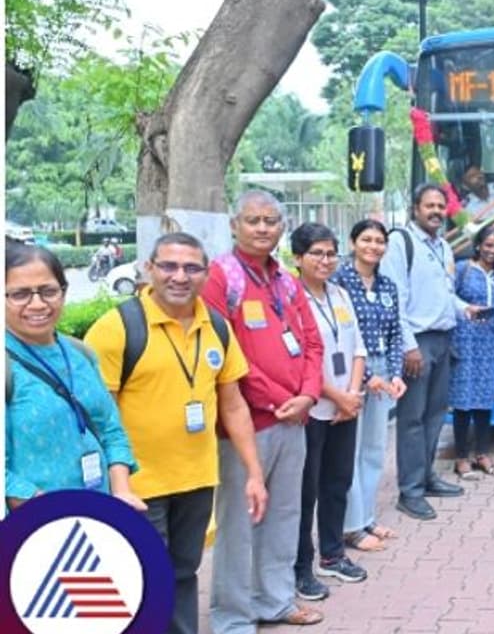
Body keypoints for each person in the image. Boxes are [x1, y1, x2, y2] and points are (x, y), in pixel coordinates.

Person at [84, 232, 266, 634]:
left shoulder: (215, 325)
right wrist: (117, 482)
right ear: (149, 269)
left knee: (184, 573)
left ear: (206, 273)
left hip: (196, 478)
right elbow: (99, 415)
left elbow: (233, 403)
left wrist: (254, 473)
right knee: (144, 577)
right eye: (168, 265)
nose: (179, 276)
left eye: (191, 267)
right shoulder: (117, 328)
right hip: (138, 485)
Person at [203, 190, 326, 630]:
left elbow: (313, 342)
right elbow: (223, 352)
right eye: (252, 220)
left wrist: (309, 395)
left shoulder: (286, 280)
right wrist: (278, 400)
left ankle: (273, 601)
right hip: (246, 426)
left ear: (282, 227)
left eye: (270, 221)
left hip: (295, 420)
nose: (261, 228)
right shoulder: (220, 276)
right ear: (235, 224)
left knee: (284, 517)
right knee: (239, 524)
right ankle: (233, 617)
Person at [4, 242, 142, 512]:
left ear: (63, 293)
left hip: (97, 517)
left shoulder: (81, 355)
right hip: (31, 529)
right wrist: (51, 509)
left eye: (48, 291)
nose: (37, 304)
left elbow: (111, 430)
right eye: (20, 294)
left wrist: (122, 491)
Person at [383, 183, 473, 521]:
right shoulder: (400, 243)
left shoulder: (443, 248)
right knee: (412, 420)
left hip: (443, 339)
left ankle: (427, 476)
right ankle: (410, 492)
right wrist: (408, 346)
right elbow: (396, 299)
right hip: (417, 343)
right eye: (429, 206)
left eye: (440, 206)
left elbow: (447, 294)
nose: (436, 211)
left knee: (436, 415)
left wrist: (466, 309)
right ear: (415, 208)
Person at [291, 222, 369, 599]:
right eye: (317, 253)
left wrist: (351, 395)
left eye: (330, 253)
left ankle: (333, 555)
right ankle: (301, 567)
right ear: (297, 258)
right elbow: (299, 360)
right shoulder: (291, 298)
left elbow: (357, 348)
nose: (325, 260)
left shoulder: (340, 293)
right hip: (313, 408)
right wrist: (337, 396)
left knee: (337, 483)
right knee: (306, 491)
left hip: (345, 406)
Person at [333, 219, 407, 552]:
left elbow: (395, 335)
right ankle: (350, 527)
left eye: (379, 241)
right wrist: (366, 377)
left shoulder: (388, 286)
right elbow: (342, 337)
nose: (373, 246)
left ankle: (366, 518)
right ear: (353, 242)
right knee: (350, 449)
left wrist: (395, 374)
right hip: (351, 372)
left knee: (374, 451)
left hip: (383, 371)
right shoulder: (339, 282)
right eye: (366, 239)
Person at [449, 225, 494, 479]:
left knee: (484, 402)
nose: (492, 251)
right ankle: (461, 458)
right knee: (462, 401)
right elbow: (447, 301)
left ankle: (482, 453)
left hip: (490, 346)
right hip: (464, 343)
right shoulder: (462, 270)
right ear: (478, 245)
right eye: (488, 245)